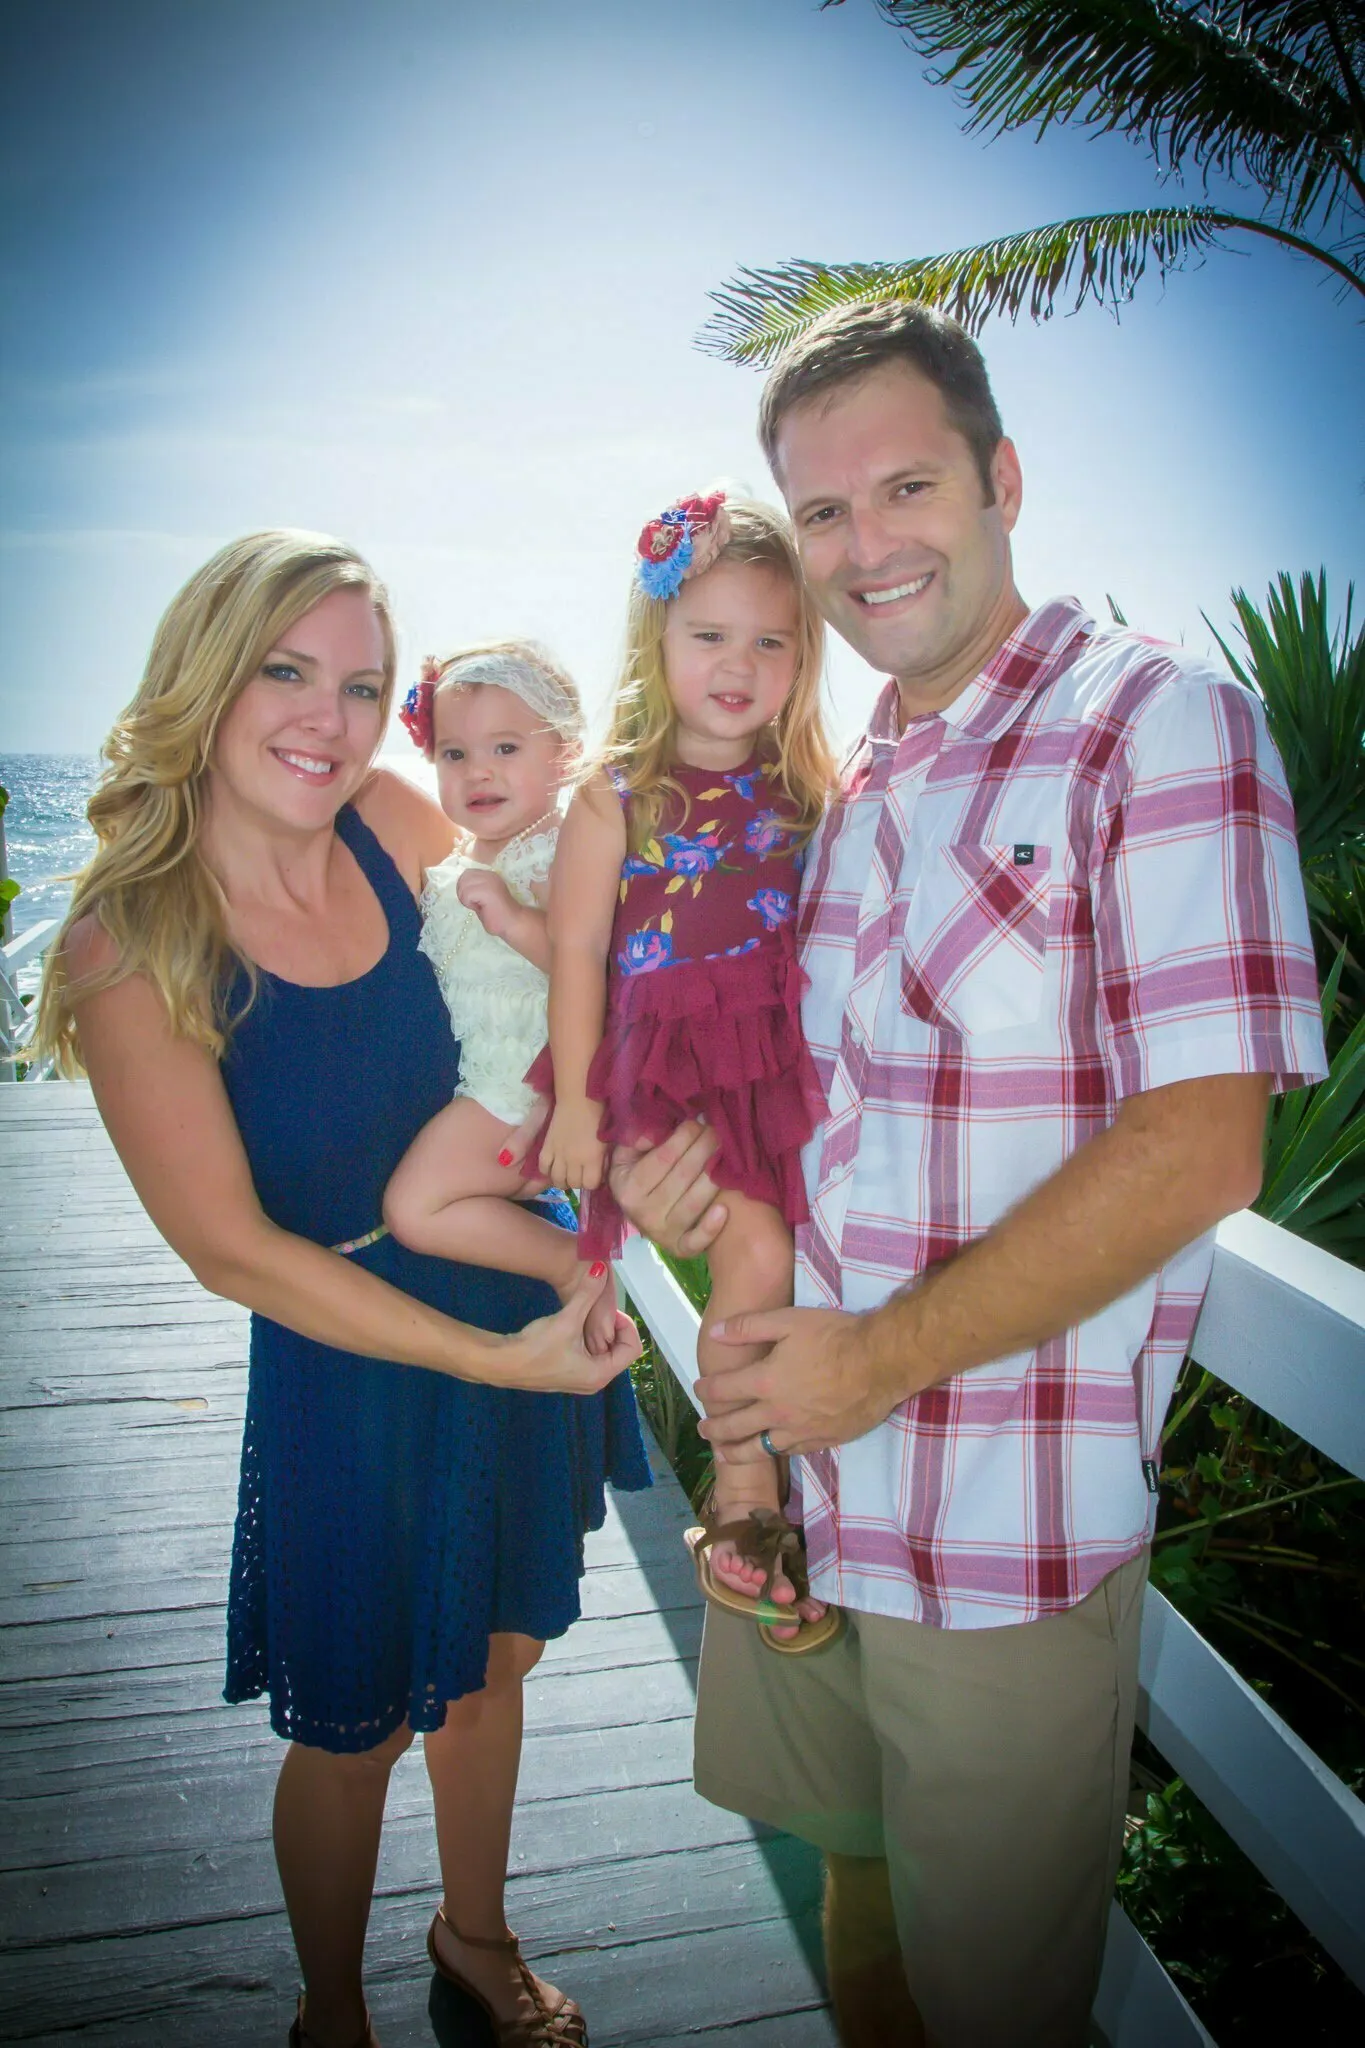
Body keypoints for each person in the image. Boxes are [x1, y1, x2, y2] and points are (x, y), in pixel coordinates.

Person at [608, 303, 1328, 2047]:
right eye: (825, 513)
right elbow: (820, 1131)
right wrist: (751, 1410)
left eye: (907, 484)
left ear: (1003, 478)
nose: (867, 546)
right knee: (853, 1906)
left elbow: (1198, 1144)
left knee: (999, 2004)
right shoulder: (859, 791)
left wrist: (876, 1364)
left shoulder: (1153, 723)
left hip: (1006, 1544)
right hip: (818, 1513)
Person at [37, 531, 648, 2048]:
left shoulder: (390, 817)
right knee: (354, 1729)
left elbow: (548, 938)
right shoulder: (135, 943)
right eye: (287, 671)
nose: (331, 717)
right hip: (348, 1351)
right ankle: (330, 2013)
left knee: (497, 1668)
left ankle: (477, 1936)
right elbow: (234, 1253)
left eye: (366, 685)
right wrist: (483, 1359)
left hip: (511, 1296)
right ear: (207, 672)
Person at [533, 491, 839, 1642]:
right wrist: (573, 1101)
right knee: (757, 1247)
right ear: (657, 640)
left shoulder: (808, 791)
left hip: (762, 1070)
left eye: (771, 639)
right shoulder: (616, 793)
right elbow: (574, 949)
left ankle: (776, 1499)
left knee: (794, 1252)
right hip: (658, 1069)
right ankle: (744, 1486)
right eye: (709, 633)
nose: (738, 663)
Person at [380, 639, 619, 1357]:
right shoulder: (464, 857)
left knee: (415, 1207)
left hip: (517, 1084)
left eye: (505, 748)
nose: (477, 770)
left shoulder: (555, 854)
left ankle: (575, 1263)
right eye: (454, 755)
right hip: (486, 1079)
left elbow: (595, 969)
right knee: (425, 1202)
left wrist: (518, 921)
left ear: (565, 757)